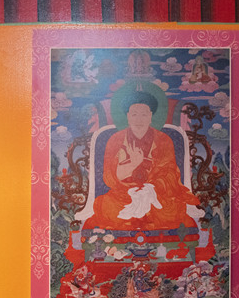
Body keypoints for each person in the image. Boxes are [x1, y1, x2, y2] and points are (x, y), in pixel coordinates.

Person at [84, 91, 201, 231]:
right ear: (128, 116)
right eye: (134, 114)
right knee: (106, 205)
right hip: (124, 194)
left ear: (151, 116)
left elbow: (170, 174)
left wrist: (151, 189)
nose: (139, 119)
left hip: (156, 195)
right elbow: (109, 178)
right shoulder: (115, 140)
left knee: (173, 210)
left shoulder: (163, 140)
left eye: (144, 114)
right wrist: (133, 164)